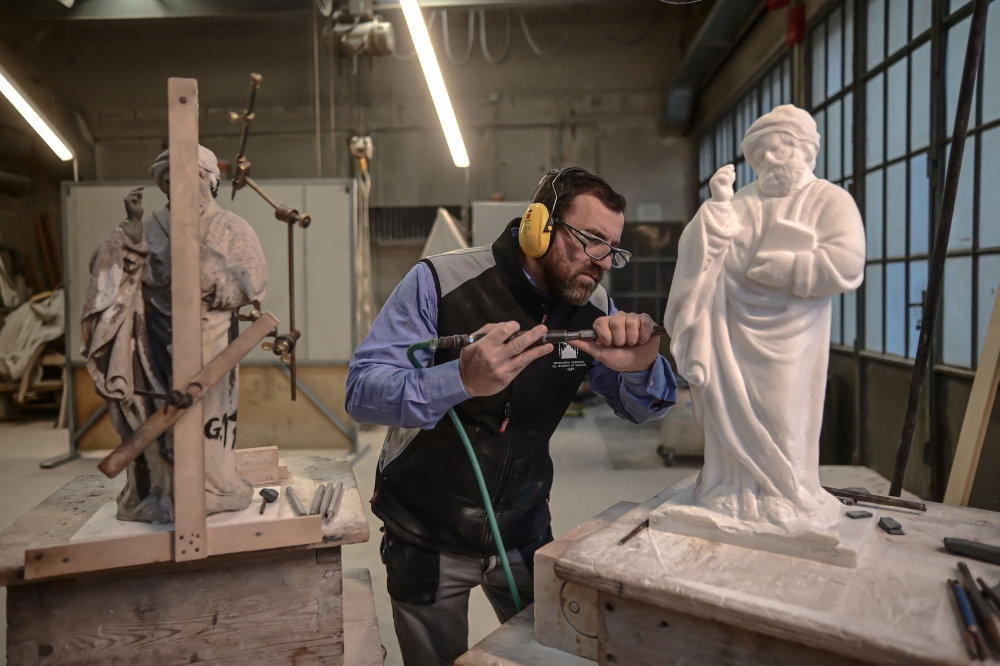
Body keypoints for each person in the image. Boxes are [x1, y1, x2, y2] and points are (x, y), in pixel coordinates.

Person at [346, 167, 677, 665]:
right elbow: (361, 391)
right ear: (537, 227)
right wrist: (459, 379)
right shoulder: (440, 281)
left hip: (523, 529)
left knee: (551, 654)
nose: (603, 262)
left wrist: (642, 369)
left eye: (613, 248)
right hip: (426, 532)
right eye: (591, 240)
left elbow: (639, 410)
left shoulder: (592, 306)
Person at [662, 105, 865, 538]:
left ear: (805, 150)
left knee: (782, 417)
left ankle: (783, 494)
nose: (769, 160)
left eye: (779, 149)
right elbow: (707, 249)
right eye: (761, 154)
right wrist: (716, 209)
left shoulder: (829, 201)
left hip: (792, 339)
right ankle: (729, 488)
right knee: (728, 412)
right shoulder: (742, 202)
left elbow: (848, 263)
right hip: (730, 329)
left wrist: (790, 267)